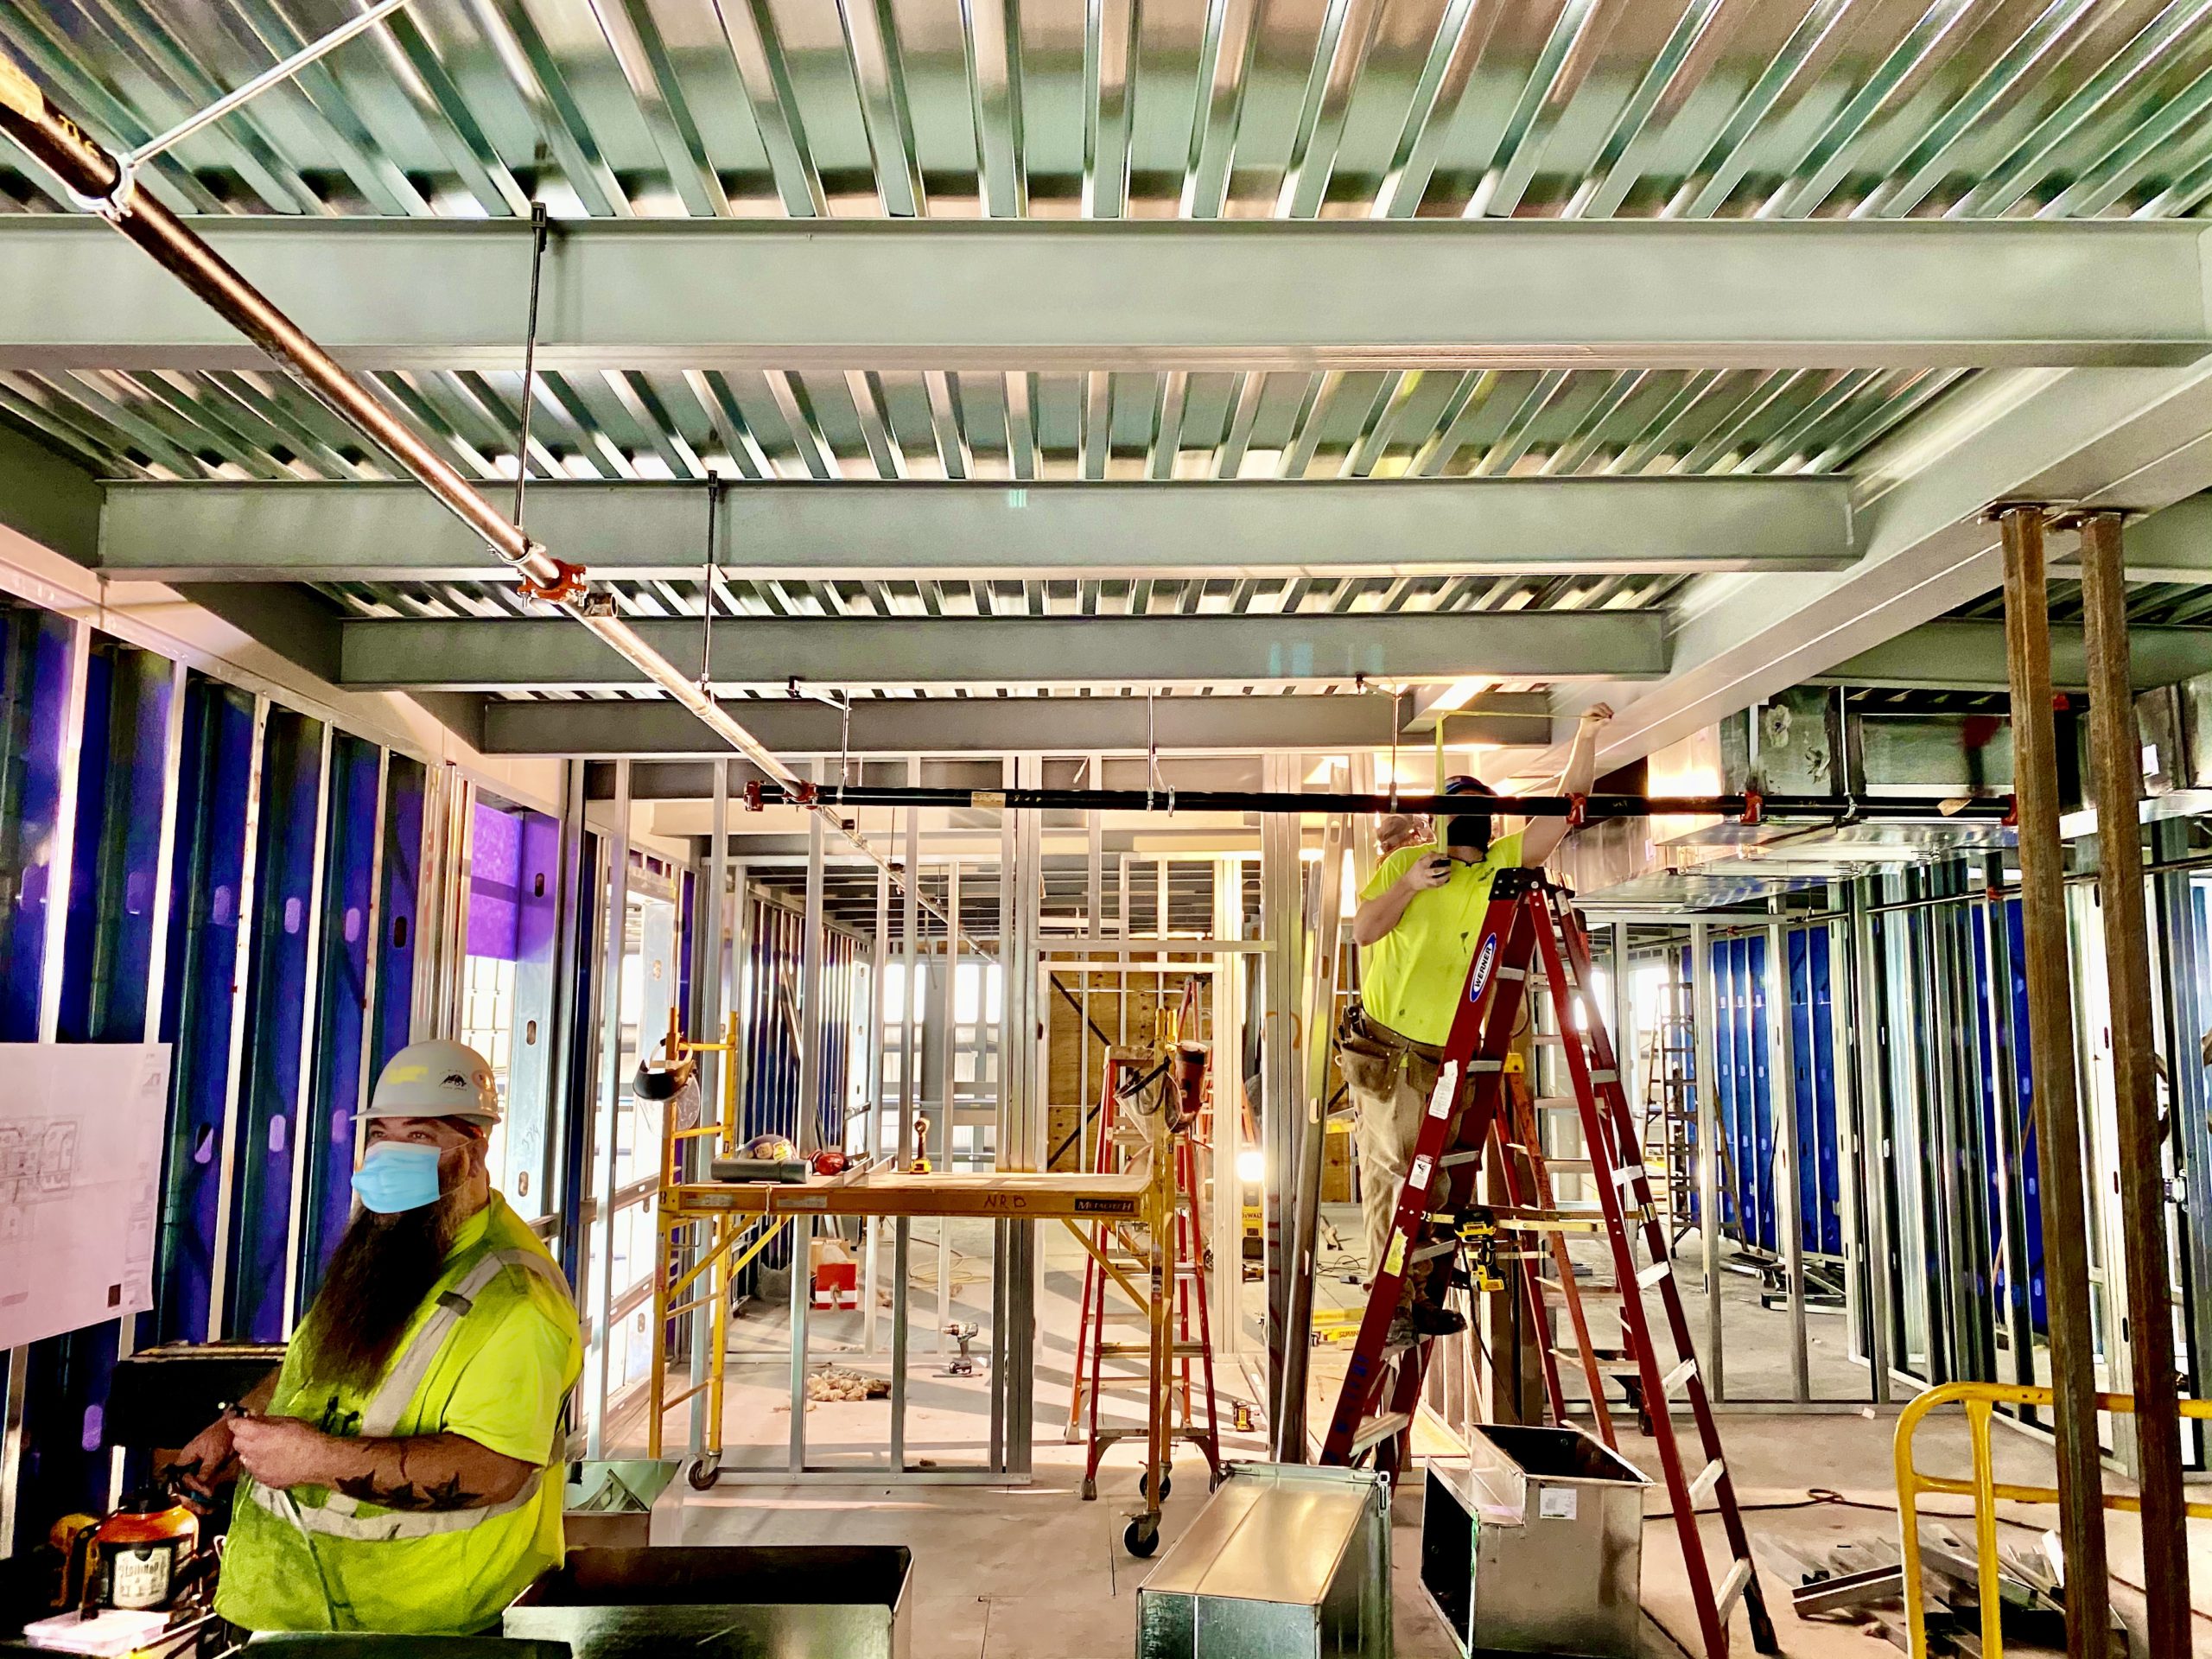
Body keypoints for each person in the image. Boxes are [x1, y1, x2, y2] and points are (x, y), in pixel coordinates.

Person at [181, 1041, 582, 1636]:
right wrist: (239, 1426)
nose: (390, 1155)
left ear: (473, 1152)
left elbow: (496, 1469)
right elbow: (314, 1369)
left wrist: (316, 1461)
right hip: (288, 1609)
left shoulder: (516, 1300)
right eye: (381, 1135)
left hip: (421, 1629)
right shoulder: (390, 1252)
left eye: (418, 1138)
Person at [1336, 705, 1614, 1333]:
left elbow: (1565, 808)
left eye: (1478, 816)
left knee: (1429, 1186)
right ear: (1436, 824)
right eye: (1459, 815)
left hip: (1446, 1054)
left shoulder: (1500, 867)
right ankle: (1396, 1310)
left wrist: (1586, 738)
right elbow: (1364, 930)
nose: (1470, 828)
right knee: (1401, 1177)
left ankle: (1415, 1297)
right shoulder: (1403, 870)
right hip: (1391, 1050)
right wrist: (1410, 883)